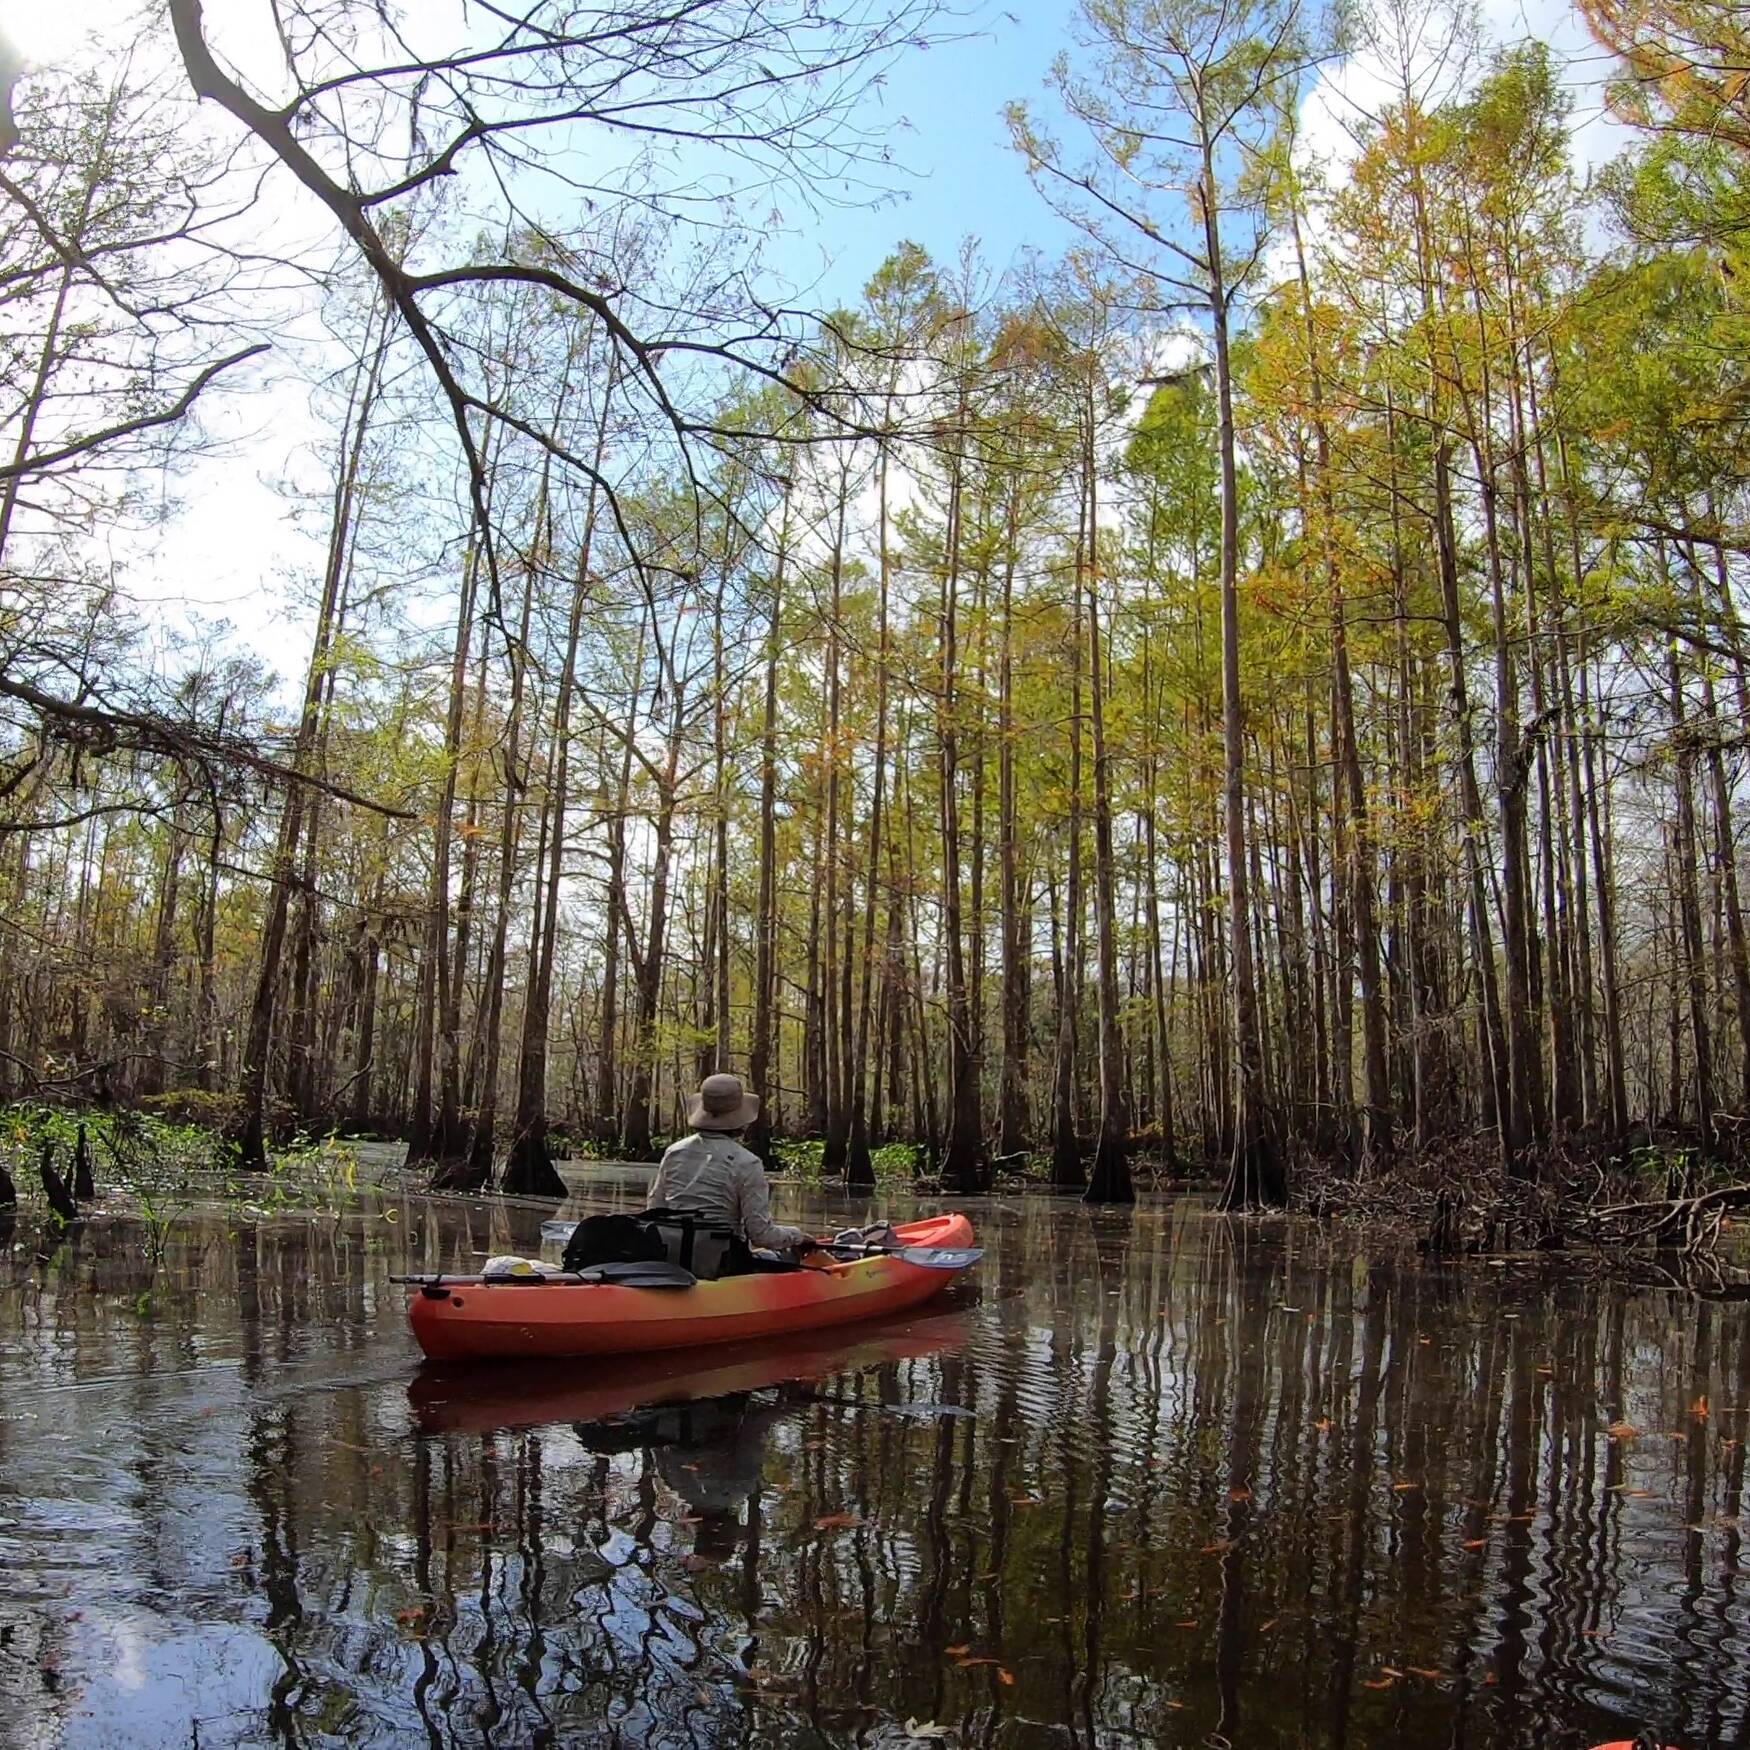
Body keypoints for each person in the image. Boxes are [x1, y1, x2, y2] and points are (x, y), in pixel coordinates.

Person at [646, 1073, 809, 1255]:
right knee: (781, 1257)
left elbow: (654, 1211)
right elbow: (761, 1235)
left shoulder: (674, 1151)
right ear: (742, 1119)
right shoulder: (747, 1162)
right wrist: (797, 1236)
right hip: (723, 1260)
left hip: (671, 1255)